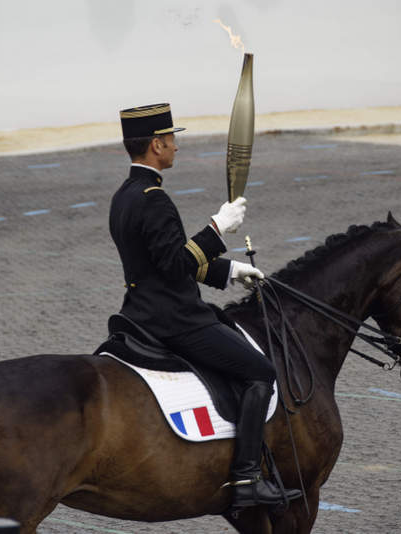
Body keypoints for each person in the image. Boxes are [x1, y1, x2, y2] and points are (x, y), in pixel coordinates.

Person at [109, 103, 302, 509]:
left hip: (139, 312)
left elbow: (160, 262)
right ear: (156, 144)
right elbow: (175, 264)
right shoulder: (154, 200)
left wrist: (229, 271)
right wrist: (218, 228)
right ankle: (246, 478)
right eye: (172, 139)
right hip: (175, 320)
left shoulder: (124, 195)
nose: (176, 146)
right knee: (261, 372)